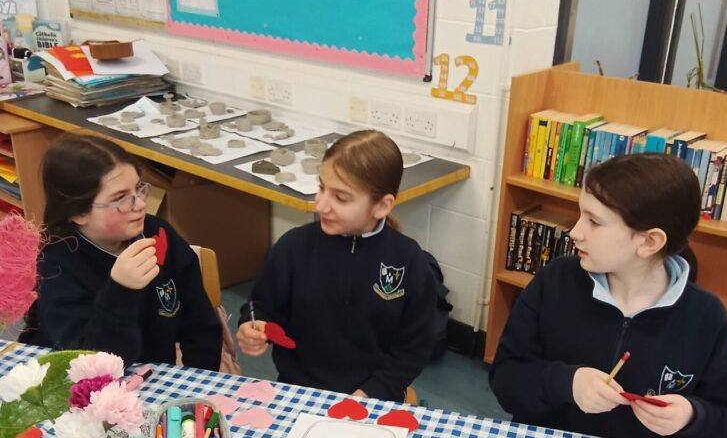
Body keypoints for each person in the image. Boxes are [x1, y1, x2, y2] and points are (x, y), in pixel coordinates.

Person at [489, 153, 727, 438]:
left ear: (649, 242)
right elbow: (505, 378)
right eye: (581, 214)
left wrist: (691, 417)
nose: (575, 232)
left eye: (594, 221)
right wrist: (567, 383)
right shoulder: (555, 281)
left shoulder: (705, 317)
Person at [237, 130, 437, 401]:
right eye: (321, 188)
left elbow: (413, 348)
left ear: (382, 206)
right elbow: (260, 305)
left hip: (374, 397)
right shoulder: (293, 247)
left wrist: (371, 392)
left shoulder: (408, 260)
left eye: (340, 198)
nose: (321, 205)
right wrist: (253, 326)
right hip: (298, 391)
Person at [23, 134, 221, 370]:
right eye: (120, 198)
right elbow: (91, 365)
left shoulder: (159, 234)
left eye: (138, 188)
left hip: (152, 378)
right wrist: (121, 291)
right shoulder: (56, 265)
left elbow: (200, 326)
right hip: (84, 380)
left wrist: (200, 378)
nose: (140, 204)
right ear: (78, 213)